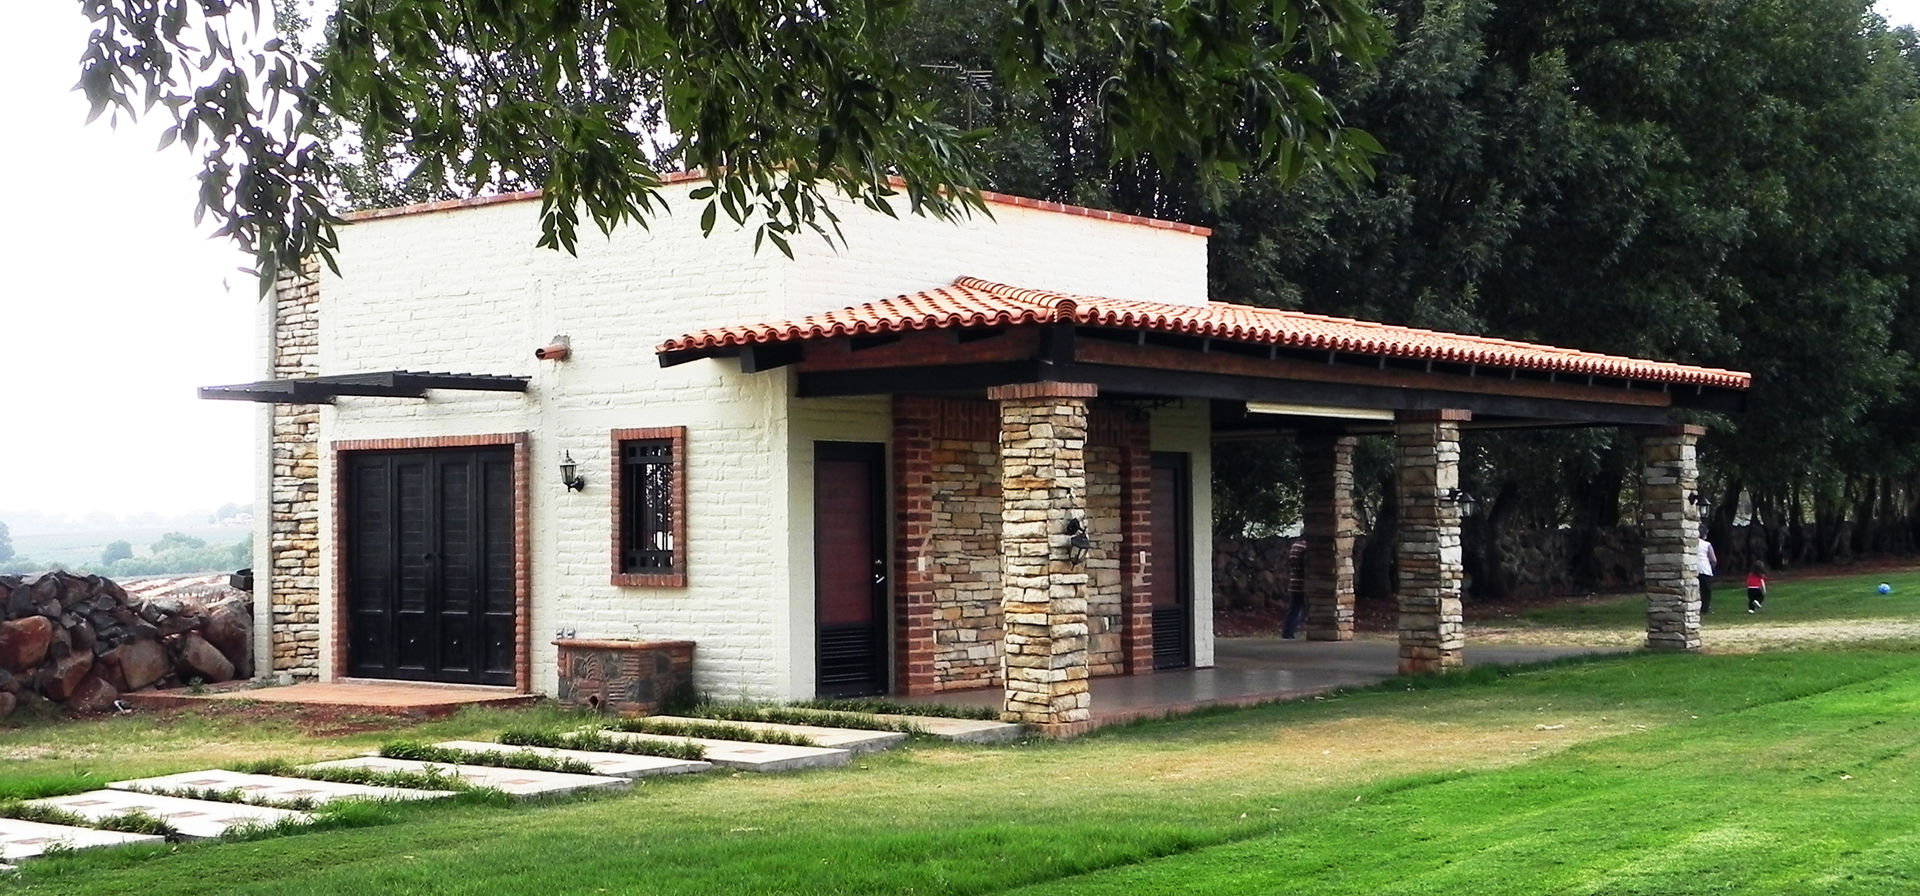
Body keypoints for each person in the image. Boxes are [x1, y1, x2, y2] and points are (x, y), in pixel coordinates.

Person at [1281, 538, 1308, 639]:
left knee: (1294, 608)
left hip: (1294, 582)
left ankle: (1288, 631)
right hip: (1302, 583)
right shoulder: (1305, 547)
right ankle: (1289, 632)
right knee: (1299, 609)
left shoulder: (1295, 546)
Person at [1697, 538, 1718, 615]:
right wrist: (1712, 566)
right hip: (1704, 569)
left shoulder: (1692, 543)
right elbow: (1713, 559)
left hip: (1693, 568)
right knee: (1706, 591)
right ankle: (1705, 608)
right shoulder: (1707, 544)